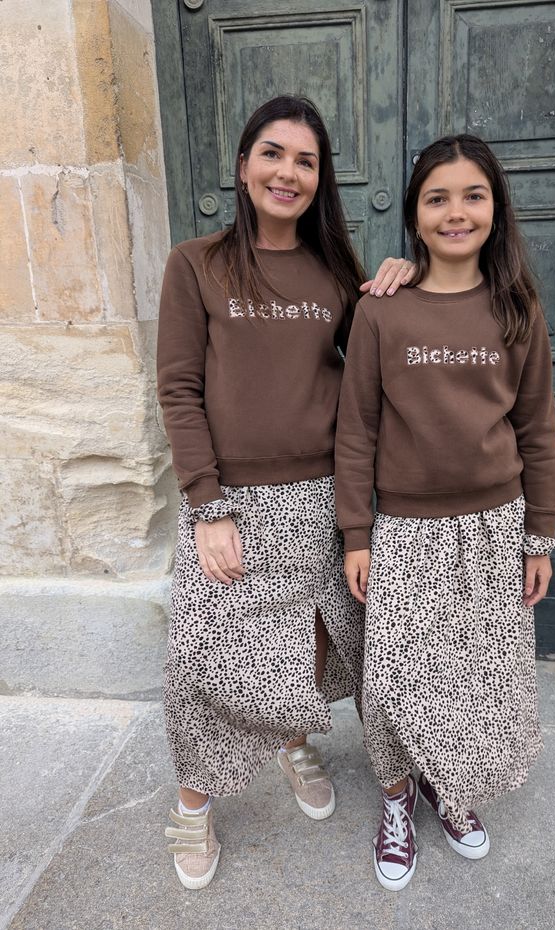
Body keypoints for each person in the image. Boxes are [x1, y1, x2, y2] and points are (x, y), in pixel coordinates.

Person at [156, 94, 413, 890]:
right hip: (230, 503)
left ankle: (293, 739)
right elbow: (178, 387)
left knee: (318, 641)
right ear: (243, 166)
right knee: (200, 662)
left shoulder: (336, 269)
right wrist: (207, 507)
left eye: (305, 160)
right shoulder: (195, 263)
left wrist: (405, 280)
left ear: (319, 176)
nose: (288, 172)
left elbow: (376, 362)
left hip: (323, 497)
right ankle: (193, 808)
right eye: (273, 153)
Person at [335, 133, 555, 891]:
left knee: (473, 674)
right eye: (437, 198)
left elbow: (536, 426)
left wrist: (542, 534)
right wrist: (358, 532)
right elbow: (358, 430)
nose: (456, 212)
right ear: (415, 214)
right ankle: (398, 797)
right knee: (394, 676)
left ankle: (452, 785)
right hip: (404, 531)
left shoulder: (515, 306)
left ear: (496, 208)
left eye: (473, 195)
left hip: (494, 529)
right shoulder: (382, 312)